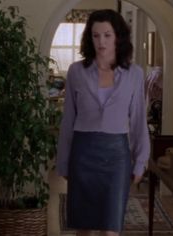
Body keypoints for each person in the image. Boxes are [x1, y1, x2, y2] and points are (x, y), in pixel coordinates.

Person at [56, 9, 150, 236]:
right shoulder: (76, 72)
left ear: (118, 36)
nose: (101, 41)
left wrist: (141, 161)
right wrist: (63, 161)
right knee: (84, 228)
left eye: (107, 35)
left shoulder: (135, 74)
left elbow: (138, 121)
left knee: (111, 229)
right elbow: (68, 120)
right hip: (83, 153)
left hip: (117, 157)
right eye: (96, 35)